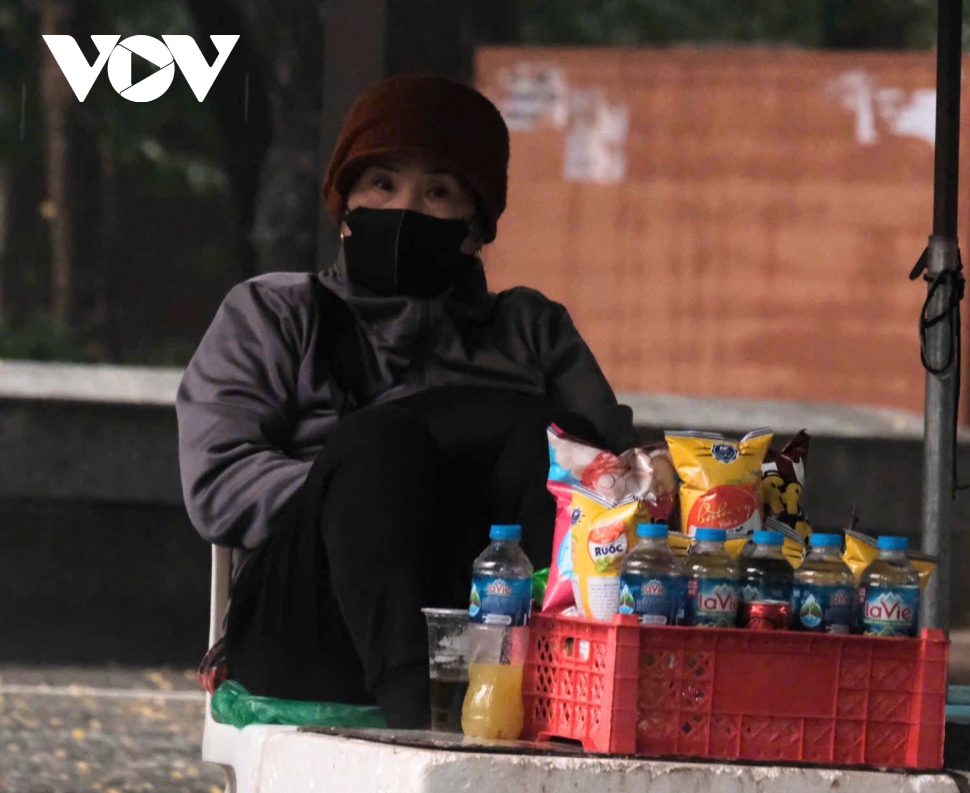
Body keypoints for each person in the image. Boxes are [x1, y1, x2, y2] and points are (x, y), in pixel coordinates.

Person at [176, 74, 635, 727]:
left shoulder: (531, 331)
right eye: (381, 184)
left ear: (475, 227)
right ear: (344, 203)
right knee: (378, 447)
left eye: (438, 192)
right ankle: (419, 719)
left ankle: (534, 698)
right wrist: (370, 490)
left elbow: (613, 485)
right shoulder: (275, 313)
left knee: (552, 436)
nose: (405, 209)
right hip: (314, 626)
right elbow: (219, 480)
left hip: (497, 626)